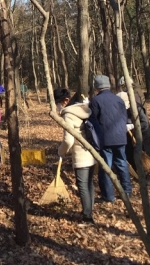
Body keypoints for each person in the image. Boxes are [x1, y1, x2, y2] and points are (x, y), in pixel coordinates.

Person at [90, 75, 132, 202]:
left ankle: (108, 196)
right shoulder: (118, 99)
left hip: (105, 138)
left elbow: (93, 120)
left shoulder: (95, 101)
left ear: (97, 87)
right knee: (122, 163)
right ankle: (127, 192)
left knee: (106, 167)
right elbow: (124, 116)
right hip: (120, 137)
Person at [55, 89, 95, 224]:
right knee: (89, 183)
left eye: (58, 103)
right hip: (92, 152)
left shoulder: (68, 115)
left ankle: (87, 216)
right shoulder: (84, 109)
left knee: (82, 185)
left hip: (81, 154)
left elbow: (68, 140)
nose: (58, 107)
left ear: (65, 101)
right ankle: (89, 209)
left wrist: (61, 151)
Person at [117, 77, 150, 170]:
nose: (122, 88)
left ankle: (146, 172)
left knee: (145, 153)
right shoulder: (133, 92)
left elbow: (140, 116)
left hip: (142, 129)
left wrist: (133, 126)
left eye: (123, 86)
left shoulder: (134, 95)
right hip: (135, 128)